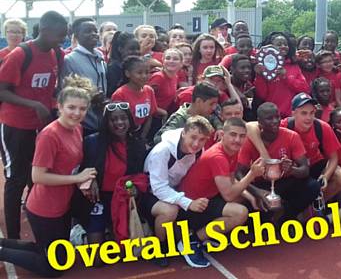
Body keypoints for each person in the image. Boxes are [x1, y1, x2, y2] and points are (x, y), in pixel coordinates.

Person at [0, 78, 97, 277]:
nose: (77, 113)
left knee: (57, 254)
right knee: (54, 269)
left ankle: (3, 244)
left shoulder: (77, 127)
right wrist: (78, 178)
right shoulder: (49, 135)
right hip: (45, 208)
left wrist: (86, 178)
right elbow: (38, 176)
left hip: (62, 204)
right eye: (71, 107)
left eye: (82, 108)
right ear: (59, 106)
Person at [0, 10, 67, 240]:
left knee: (36, 175)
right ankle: (13, 239)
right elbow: (2, 91)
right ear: (45, 31)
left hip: (41, 125)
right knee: (16, 179)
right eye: (59, 36)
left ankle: (37, 225)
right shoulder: (21, 54)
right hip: (15, 125)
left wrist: (56, 103)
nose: (62, 41)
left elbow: (53, 86)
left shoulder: (56, 53)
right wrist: (33, 104)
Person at [178, 118, 264, 268]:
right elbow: (229, 195)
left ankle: (207, 234)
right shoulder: (217, 157)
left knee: (243, 200)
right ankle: (192, 240)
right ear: (222, 134)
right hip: (192, 205)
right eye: (233, 135)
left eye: (242, 136)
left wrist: (251, 198)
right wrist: (251, 174)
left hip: (208, 197)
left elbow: (231, 181)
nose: (237, 140)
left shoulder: (231, 151)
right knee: (240, 213)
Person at [141, 116, 214, 267]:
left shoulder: (199, 151)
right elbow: (159, 188)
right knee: (170, 211)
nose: (196, 144)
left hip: (174, 189)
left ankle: (188, 238)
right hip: (149, 193)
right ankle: (159, 248)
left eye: (202, 140)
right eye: (193, 137)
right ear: (183, 133)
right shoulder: (162, 151)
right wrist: (188, 202)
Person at [236, 102, 321, 226]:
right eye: (269, 118)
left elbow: (305, 170)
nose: (275, 121)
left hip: (285, 181)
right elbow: (239, 173)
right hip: (262, 185)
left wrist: (292, 169)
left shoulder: (291, 136)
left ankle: (285, 217)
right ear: (259, 121)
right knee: (256, 222)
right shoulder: (250, 141)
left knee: (313, 186)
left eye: (277, 117)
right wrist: (256, 192)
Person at [80, 101, 146, 246]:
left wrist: (134, 188)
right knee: (96, 259)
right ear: (106, 122)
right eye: (113, 119)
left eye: (123, 118)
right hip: (98, 200)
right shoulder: (92, 142)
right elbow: (81, 170)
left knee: (128, 253)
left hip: (123, 199)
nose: (119, 122)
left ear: (129, 120)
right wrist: (91, 180)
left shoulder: (138, 144)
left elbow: (141, 176)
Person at [61, 18, 108, 135]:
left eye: (95, 31)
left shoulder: (100, 57)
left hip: (102, 120)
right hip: (83, 123)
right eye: (87, 31)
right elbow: (67, 91)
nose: (93, 34)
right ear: (76, 35)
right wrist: (91, 96)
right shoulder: (70, 60)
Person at [254, 32, 309, 117]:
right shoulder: (265, 67)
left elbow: (304, 89)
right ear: (270, 47)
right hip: (273, 116)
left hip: (292, 116)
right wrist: (259, 76)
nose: (283, 46)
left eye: (285, 44)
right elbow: (262, 95)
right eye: (279, 44)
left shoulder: (294, 66)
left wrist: (286, 77)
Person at [111, 56, 166, 140]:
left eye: (147, 72)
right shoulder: (120, 94)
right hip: (123, 135)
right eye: (139, 73)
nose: (144, 76)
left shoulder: (149, 90)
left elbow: (149, 116)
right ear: (128, 74)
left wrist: (142, 137)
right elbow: (115, 122)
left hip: (140, 132)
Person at [154, 82, 220, 144]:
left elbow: (213, 118)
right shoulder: (179, 119)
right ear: (198, 101)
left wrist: (219, 128)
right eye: (211, 104)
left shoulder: (205, 114)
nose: (214, 108)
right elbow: (158, 139)